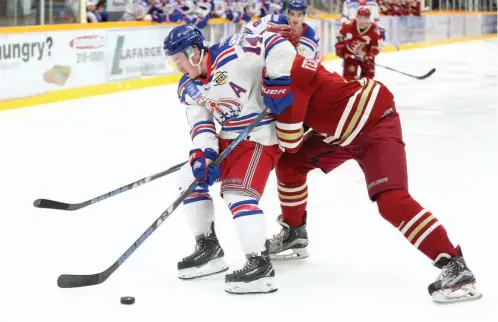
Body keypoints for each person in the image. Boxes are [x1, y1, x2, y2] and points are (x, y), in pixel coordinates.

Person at [267, 25, 482, 303]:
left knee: (391, 201)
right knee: (290, 165)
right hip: (342, 131)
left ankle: (455, 265)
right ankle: (294, 232)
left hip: (374, 121)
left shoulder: (291, 73)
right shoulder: (285, 69)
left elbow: (290, 138)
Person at [163, 24, 296, 294]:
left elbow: (277, 44)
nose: (177, 67)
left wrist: (278, 79)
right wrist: (205, 154)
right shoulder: (189, 86)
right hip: (229, 138)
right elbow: (200, 124)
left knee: (237, 194)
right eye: (172, 62)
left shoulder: (234, 52)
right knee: (188, 177)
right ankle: (209, 249)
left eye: (178, 59)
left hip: (260, 136)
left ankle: (259, 265)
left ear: (193, 52)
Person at [243, 0, 320, 59]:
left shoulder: (312, 38)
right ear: (288, 13)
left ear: (304, 16)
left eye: (299, 15)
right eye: (292, 14)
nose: (295, 19)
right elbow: (247, 31)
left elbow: (313, 67)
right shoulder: (271, 20)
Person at [335, 6, 382, 81]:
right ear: (356, 17)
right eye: (359, 17)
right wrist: (342, 50)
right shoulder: (348, 25)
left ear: (369, 18)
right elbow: (339, 36)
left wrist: (370, 56)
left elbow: (377, 47)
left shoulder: (374, 30)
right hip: (350, 55)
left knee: (368, 79)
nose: (362, 21)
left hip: (366, 56)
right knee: (349, 78)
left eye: (365, 18)